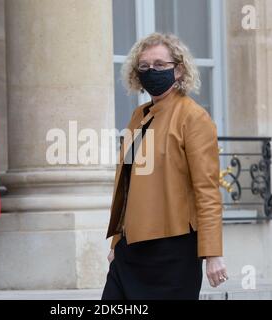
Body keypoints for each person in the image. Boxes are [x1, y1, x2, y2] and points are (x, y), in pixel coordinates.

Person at [101, 32, 228, 300]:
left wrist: (213, 253)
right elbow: (128, 182)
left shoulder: (193, 117)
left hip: (173, 251)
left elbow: (207, 190)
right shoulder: (139, 116)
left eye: (160, 65)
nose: (151, 72)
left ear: (179, 70)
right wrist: (117, 241)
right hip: (130, 251)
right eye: (144, 66)